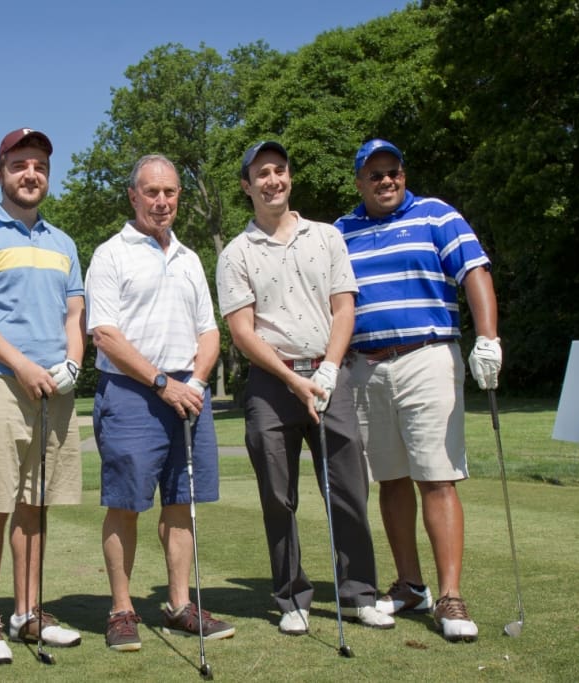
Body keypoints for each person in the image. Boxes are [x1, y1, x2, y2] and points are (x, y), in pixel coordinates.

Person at [216, 141, 394, 635]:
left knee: (348, 490)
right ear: (247, 186)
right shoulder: (235, 254)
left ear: (289, 177)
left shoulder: (327, 237)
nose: (273, 180)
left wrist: (329, 370)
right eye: (262, 173)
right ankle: (292, 596)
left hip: (328, 377)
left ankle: (359, 592)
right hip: (272, 385)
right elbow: (243, 332)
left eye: (280, 170)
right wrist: (294, 379)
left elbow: (343, 308)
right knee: (278, 494)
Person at [334, 139, 502, 643]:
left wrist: (488, 339)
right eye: (376, 174)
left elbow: (474, 273)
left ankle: (450, 595)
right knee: (390, 478)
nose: (387, 181)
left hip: (426, 356)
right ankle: (410, 584)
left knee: (437, 477)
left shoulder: (436, 215)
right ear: (360, 180)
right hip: (366, 366)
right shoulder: (342, 232)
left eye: (394, 172)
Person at [85, 154, 235, 652]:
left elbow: (209, 330)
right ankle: (122, 610)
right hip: (132, 393)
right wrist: (160, 383)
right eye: (152, 192)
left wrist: (194, 379)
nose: (162, 201)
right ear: (133, 195)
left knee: (181, 504)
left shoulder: (190, 258)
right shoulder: (111, 254)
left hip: (187, 392)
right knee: (125, 504)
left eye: (170, 192)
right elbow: (105, 334)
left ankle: (177, 606)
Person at [0, 128, 85, 664]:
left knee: (35, 504)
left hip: (54, 387)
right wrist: (22, 364)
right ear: (0, 170)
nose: (32, 174)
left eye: (41, 167)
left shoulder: (64, 242)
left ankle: (29, 612)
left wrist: (73, 361)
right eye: (21, 164)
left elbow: (76, 314)